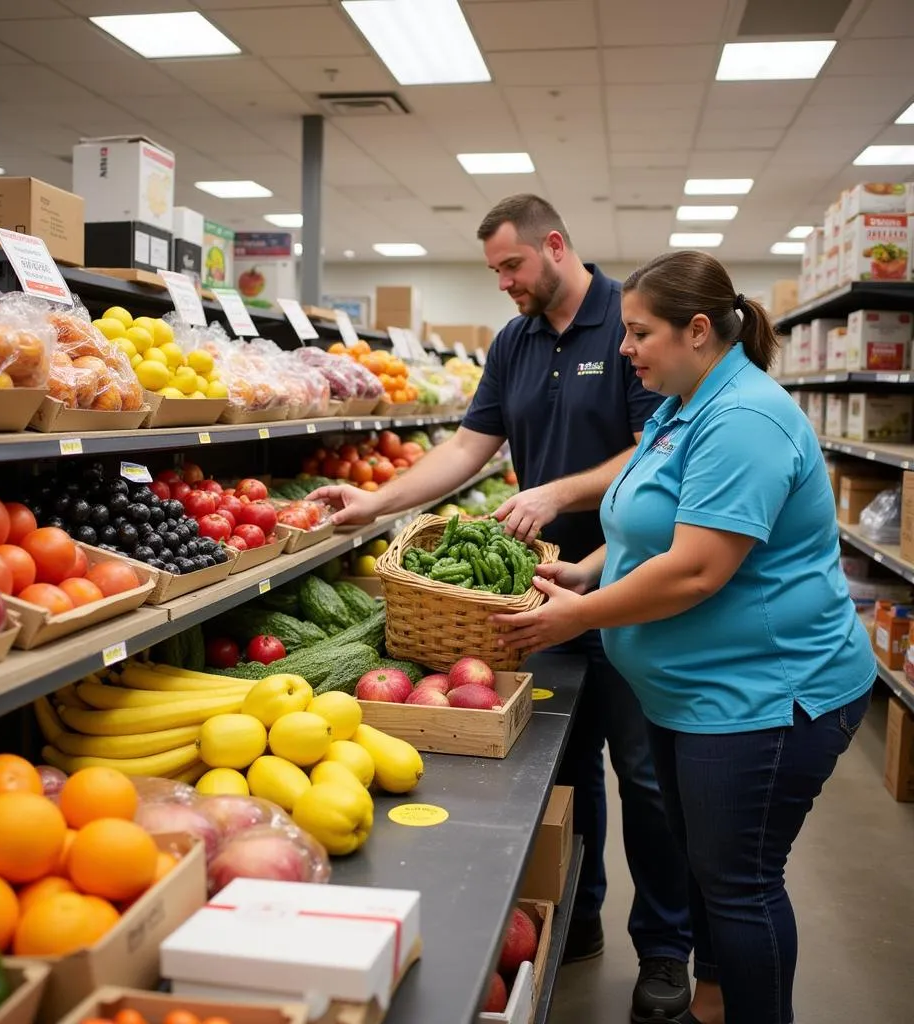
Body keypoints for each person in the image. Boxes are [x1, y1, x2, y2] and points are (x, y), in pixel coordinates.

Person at [311, 195, 693, 1022]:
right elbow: (465, 447)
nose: (503, 284)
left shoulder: (627, 325)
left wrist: (557, 489)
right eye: (494, 271)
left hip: (625, 582)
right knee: (565, 765)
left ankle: (665, 950)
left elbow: (654, 447)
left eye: (511, 266)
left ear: (554, 246)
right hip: (530, 591)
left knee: (644, 775)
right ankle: (581, 913)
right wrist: (374, 503)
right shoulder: (515, 343)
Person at [495, 249, 876, 1024]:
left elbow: (696, 570)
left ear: (698, 329)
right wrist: (589, 573)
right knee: (711, 872)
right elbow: (649, 522)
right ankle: (709, 1004)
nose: (625, 348)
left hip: (765, 697)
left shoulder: (745, 419)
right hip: (691, 692)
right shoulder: (682, 403)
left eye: (639, 333)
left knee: (741, 885)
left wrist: (576, 616)